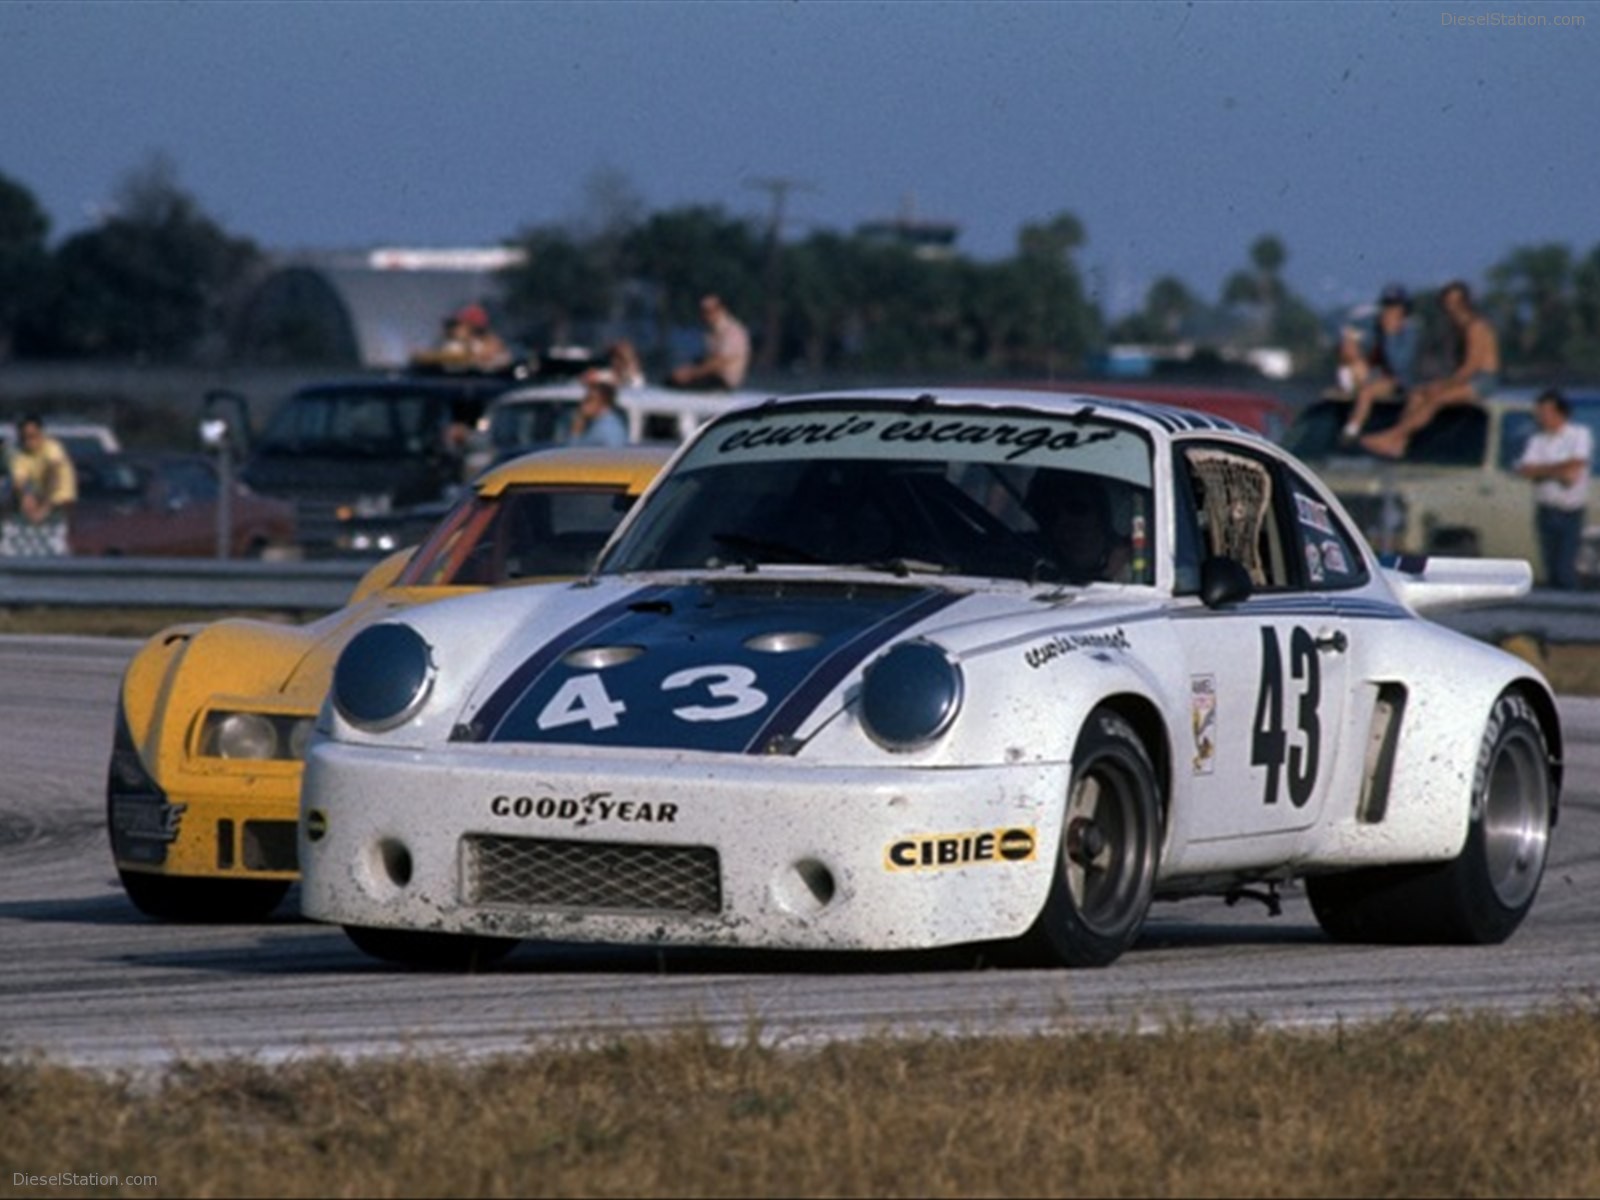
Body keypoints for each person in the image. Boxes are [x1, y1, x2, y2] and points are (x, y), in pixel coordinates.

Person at [1361, 280, 1500, 459]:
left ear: (1465, 303)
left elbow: (1471, 367)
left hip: (1482, 381)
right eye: (1447, 303)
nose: (1451, 308)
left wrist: (1443, 385)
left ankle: (1394, 435)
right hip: (1465, 378)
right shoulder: (1456, 328)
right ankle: (1400, 443)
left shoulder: (1475, 327)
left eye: (1455, 303)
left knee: (1437, 397)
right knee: (1417, 394)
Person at [1515, 388, 1591, 590]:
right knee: (1550, 566)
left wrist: (1542, 471)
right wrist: (1558, 471)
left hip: (1570, 511)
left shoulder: (1578, 435)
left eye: (1545, 412)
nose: (1542, 418)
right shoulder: (1537, 440)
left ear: (1560, 413)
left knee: (1565, 567)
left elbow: (1575, 466)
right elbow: (1526, 470)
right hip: (1546, 509)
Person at [1337, 284, 1419, 444]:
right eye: (1387, 306)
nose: (1390, 311)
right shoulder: (1373, 326)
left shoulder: (1409, 332)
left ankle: (1351, 431)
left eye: (1395, 307)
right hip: (1372, 375)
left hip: (1397, 382)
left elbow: (1400, 366)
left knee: (1367, 393)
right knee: (1351, 355)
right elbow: (1352, 338)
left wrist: (1390, 335)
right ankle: (1347, 386)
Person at [1028, 471, 1131, 584]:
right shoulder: (1024, 555)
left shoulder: (1142, 568)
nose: (1064, 522)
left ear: (1102, 513)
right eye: (1051, 513)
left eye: (1077, 508)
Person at [5, 414, 77, 555]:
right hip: (40, 499)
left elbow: (54, 476)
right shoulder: (21, 455)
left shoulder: (52, 448)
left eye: (33, 436)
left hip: (61, 502)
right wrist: (25, 497)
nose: (29, 441)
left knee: (60, 540)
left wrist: (44, 508)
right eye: (24, 437)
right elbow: (20, 480)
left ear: (41, 433)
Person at [667, 294, 750, 391]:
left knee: (678, 383)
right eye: (704, 311)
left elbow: (719, 362)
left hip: (724, 380)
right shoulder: (711, 331)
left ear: (721, 309)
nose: (707, 314)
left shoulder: (734, 331)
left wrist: (690, 373)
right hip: (710, 374)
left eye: (711, 310)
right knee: (671, 379)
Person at [568, 375, 630, 447]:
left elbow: (573, 454)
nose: (583, 404)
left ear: (604, 403)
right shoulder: (610, 423)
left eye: (589, 399)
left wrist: (576, 431)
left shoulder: (604, 429)